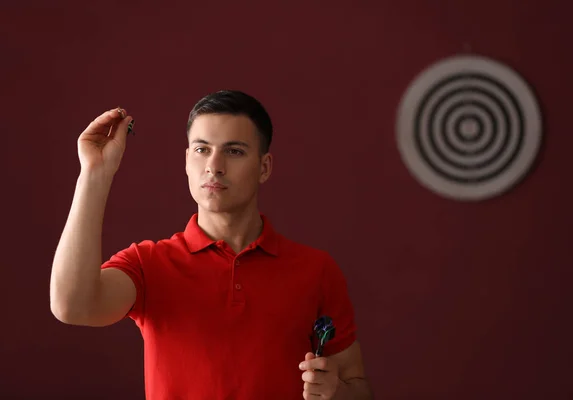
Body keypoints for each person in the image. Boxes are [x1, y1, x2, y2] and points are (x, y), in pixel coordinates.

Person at [50, 90, 372, 399]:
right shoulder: (149, 264)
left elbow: (358, 387)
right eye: (202, 149)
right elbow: (71, 305)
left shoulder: (316, 271)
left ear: (264, 167)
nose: (214, 166)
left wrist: (338, 394)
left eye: (234, 151)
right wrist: (95, 173)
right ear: (187, 160)